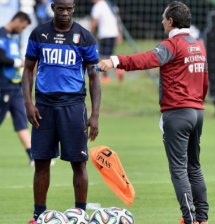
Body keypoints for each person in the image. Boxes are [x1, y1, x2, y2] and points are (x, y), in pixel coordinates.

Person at [97, 1, 209, 224]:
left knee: (179, 170)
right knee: (194, 167)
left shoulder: (173, 44)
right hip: (197, 111)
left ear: (170, 21)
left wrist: (116, 60)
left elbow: (147, 59)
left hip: (178, 113)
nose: (161, 22)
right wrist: (196, 101)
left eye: (163, 18)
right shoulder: (198, 45)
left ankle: (189, 219)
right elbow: (205, 81)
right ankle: (202, 218)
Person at [22, 0, 101, 223]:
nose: (65, 13)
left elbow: (94, 76)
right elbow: (28, 70)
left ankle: (81, 215)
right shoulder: (39, 34)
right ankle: (38, 217)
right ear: (53, 8)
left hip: (73, 108)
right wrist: (28, 103)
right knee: (41, 162)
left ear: (74, 9)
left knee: (79, 163)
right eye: (60, 9)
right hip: (44, 108)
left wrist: (94, 115)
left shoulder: (85, 37)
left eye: (69, 9)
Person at [0, 12, 34, 166]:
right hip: (3, 87)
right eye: (23, 27)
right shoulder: (1, 34)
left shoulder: (14, 37)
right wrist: (18, 63)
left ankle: (33, 156)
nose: (22, 30)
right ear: (17, 20)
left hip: (15, 87)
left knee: (22, 121)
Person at [90, 0, 123, 83]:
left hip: (104, 33)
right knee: (111, 53)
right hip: (113, 33)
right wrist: (119, 33)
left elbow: (94, 22)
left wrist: (89, 34)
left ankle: (105, 77)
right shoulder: (111, 4)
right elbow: (118, 20)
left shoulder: (97, 6)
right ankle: (119, 69)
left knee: (103, 56)